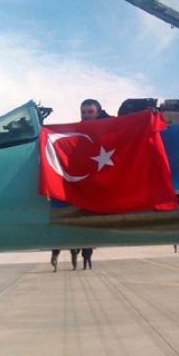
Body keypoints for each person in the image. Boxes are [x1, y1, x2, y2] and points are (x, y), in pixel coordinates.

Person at [49, 99, 110, 271]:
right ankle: (64, 252)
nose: (86, 115)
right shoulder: (77, 130)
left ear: (98, 112)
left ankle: (84, 257)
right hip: (81, 180)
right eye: (83, 112)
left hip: (99, 182)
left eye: (90, 112)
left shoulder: (109, 126)